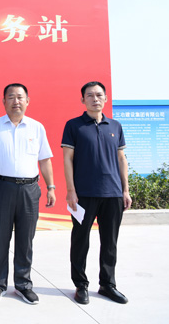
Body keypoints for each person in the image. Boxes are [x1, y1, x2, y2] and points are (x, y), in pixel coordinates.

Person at [0, 83, 56, 305]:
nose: (16, 101)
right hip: (1, 187)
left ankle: (23, 285)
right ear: (3, 101)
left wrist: (51, 187)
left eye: (20, 97)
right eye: (11, 97)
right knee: (0, 238)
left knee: (26, 239)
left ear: (27, 101)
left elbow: (44, 160)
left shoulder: (37, 128)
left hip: (30, 190)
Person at [62, 81, 131, 305]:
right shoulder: (74, 126)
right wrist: (71, 190)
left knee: (110, 242)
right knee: (80, 240)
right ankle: (80, 284)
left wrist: (125, 190)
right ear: (83, 99)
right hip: (83, 194)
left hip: (112, 193)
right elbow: (67, 159)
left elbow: (121, 159)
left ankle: (107, 284)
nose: (95, 99)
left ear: (106, 98)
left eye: (99, 95)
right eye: (90, 95)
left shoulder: (115, 126)